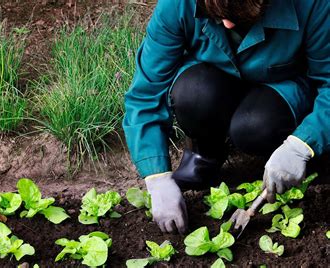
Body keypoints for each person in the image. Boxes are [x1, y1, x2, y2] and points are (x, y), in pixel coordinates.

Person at [123, 0, 329, 234]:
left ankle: (287, 159)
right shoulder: (178, 4)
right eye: (219, 16)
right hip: (214, 79)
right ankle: (205, 155)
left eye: (239, 18)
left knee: (254, 127)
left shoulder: (313, 4)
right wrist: (155, 175)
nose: (228, 25)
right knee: (193, 95)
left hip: (282, 85)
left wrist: (303, 144)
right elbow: (146, 92)